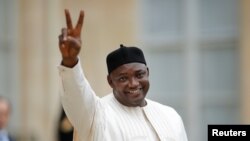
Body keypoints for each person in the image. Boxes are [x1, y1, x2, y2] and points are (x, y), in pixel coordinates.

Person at [58, 9, 188, 141]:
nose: (133, 83)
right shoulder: (97, 115)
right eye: (123, 78)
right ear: (110, 81)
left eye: (139, 75)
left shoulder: (170, 116)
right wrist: (70, 61)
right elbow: (77, 95)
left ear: (147, 73)